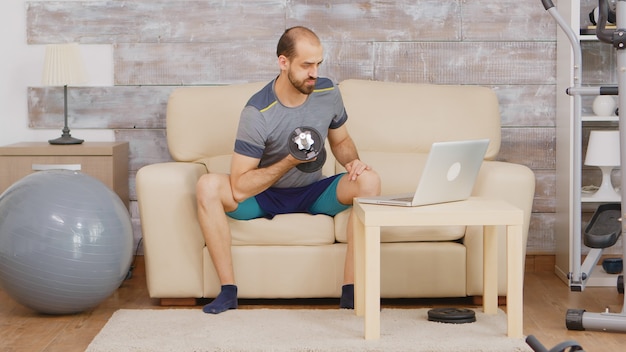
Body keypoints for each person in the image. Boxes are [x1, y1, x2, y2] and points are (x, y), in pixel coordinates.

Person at [196, 26, 381, 314]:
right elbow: (241, 186)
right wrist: (289, 161)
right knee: (207, 185)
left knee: (369, 180)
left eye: (318, 64)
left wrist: (352, 163)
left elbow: (341, 140)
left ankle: (352, 292)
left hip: (313, 192)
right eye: (306, 65)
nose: (314, 73)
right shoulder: (257, 112)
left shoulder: (327, 91)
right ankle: (228, 291)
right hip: (264, 195)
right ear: (283, 62)